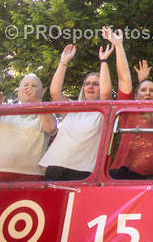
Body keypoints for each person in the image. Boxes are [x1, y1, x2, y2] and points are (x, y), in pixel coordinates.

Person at [39, 41, 113, 181]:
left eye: (96, 84)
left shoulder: (103, 112)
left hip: (82, 171)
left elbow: (106, 93)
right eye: (87, 83)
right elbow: (55, 93)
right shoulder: (72, 107)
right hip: (54, 167)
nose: (91, 86)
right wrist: (63, 61)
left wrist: (103, 61)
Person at [104, 27, 153, 180]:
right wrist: (119, 45)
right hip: (123, 174)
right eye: (143, 90)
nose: (148, 93)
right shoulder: (128, 113)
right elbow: (124, 78)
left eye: (152, 91)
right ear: (136, 97)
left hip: (152, 178)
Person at [0, 75, 55, 183]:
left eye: (34, 86)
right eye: (25, 85)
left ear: (42, 92)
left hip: (31, 175)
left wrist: (37, 101)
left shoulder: (46, 113)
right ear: (19, 92)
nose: (29, 88)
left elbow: (51, 128)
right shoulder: (4, 111)